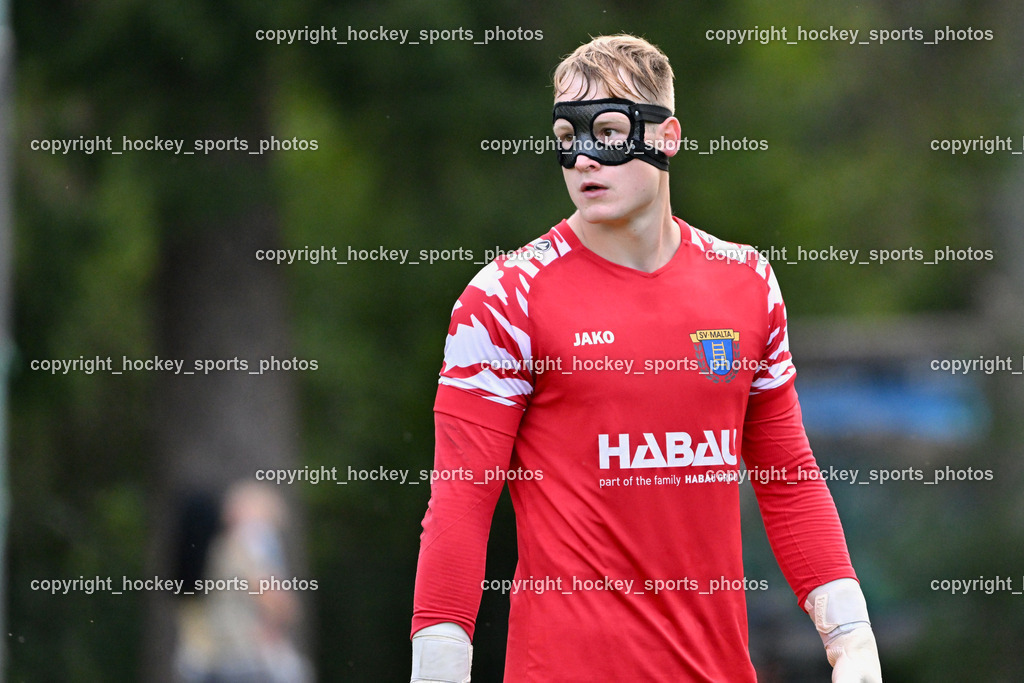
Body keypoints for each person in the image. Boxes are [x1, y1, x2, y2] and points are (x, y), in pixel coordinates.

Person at [410, 34, 882, 682]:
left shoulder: (747, 283)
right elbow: (461, 502)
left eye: (606, 130)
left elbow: (789, 476)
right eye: (564, 134)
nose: (581, 156)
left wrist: (851, 635)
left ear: (666, 136)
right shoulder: (504, 298)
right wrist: (437, 667)